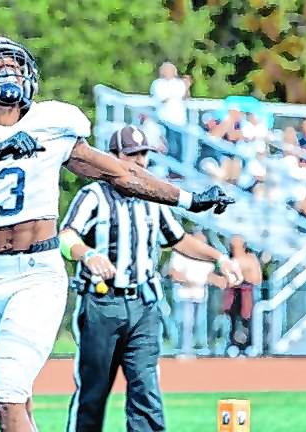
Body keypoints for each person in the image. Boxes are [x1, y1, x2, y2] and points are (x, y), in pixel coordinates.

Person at [0, 36, 235, 432]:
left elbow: (120, 173)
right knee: (9, 404)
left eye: (16, 66)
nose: (10, 74)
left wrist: (187, 199)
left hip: (36, 273)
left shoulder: (52, 124)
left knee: (7, 391)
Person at [59, 125, 242, 432]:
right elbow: (65, 236)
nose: (141, 161)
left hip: (144, 305)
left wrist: (220, 258)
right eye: (132, 154)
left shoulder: (153, 198)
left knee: (146, 390)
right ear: (112, 157)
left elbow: (178, 239)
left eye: (144, 153)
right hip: (102, 305)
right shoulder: (93, 196)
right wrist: (87, 254)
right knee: (93, 390)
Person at [169, 229, 227, 355]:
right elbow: (174, 273)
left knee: (201, 323)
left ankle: (201, 350)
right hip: (184, 295)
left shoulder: (207, 257)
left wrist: (218, 280)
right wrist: (192, 281)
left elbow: (208, 275)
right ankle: (183, 350)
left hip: (200, 296)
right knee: (185, 324)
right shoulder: (180, 254)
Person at [223, 235, 262, 357]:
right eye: (232, 246)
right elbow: (225, 278)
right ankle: (233, 344)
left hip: (247, 294)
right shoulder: (227, 259)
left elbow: (257, 279)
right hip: (232, 294)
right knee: (232, 320)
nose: (234, 249)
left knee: (247, 321)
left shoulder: (251, 258)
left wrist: (242, 275)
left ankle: (248, 345)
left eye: (236, 246)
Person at [149, 62, 189, 161]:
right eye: (166, 70)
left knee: (179, 146)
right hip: (164, 119)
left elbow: (183, 96)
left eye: (171, 70)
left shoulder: (179, 83)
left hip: (179, 120)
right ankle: (168, 170)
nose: (168, 72)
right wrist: (172, 96)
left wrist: (186, 87)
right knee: (169, 146)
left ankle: (177, 172)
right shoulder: (157, 83)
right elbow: (161, 98)